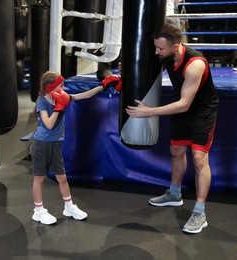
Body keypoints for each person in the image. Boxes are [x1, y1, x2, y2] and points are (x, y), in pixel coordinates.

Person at [125, 23, 219, 234]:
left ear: (176, 46)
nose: (156, 52)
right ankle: (174, 194)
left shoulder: (195, 64)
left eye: (161, 49)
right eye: (155, 47)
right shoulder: (165, 57)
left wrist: (149, 112)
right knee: (176, 151)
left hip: (202, 111)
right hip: (181, 108)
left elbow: (185, 104)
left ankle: (199, 211)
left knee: (198, 158)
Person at [31, 70, 121, 225]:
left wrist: (103, 85)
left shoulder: (63, 97)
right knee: (39, 178)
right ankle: (38, 211)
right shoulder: (42, 102)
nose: (64, 89)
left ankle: (69, 207)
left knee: (63, 178)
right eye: (61, 86)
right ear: (51, 88)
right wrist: (59, 107)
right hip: (41, 144)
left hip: (55, 143)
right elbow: (49, 124)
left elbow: (85, 95)